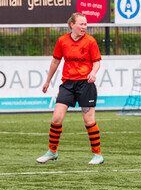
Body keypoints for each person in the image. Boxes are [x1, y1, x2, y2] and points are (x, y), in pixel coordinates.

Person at [36, 12, 104, 165]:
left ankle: (97, 155)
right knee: (56, 118)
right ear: (72, 25)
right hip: (67, 84)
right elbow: (55, 62)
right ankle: (52, 152)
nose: (84, 27)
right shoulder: (62, 41)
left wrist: (93, 72)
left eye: (86, 24)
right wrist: (47, 81)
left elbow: (97, 62)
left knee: (88, 120)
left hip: (85, 84)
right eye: (81, 24)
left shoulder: (90, 41)